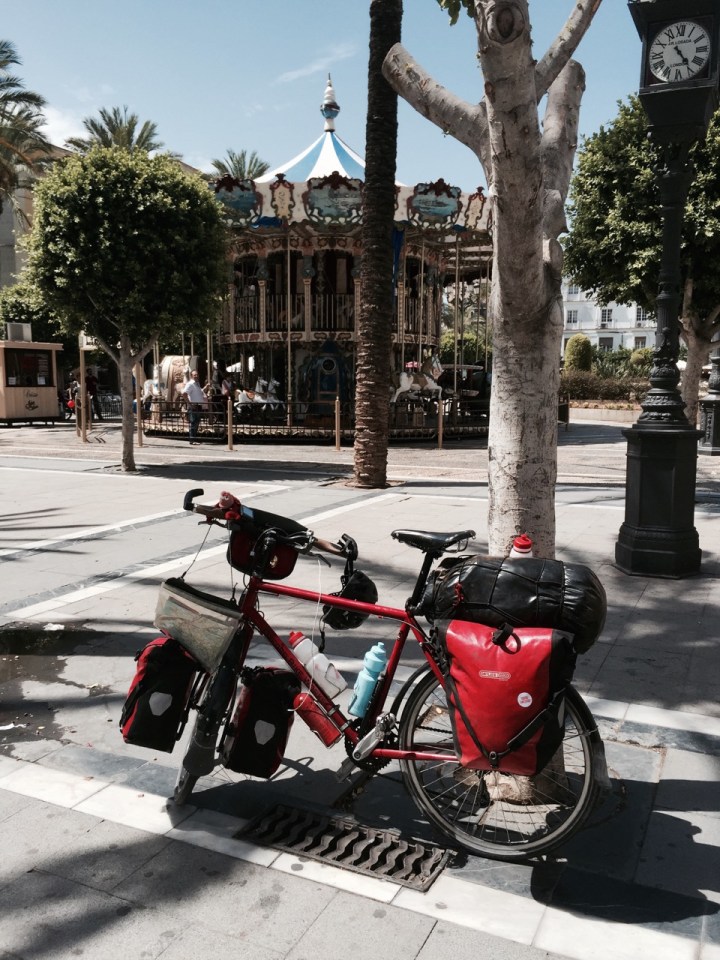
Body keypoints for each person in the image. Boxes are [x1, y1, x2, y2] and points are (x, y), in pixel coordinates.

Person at [181, 370, 206, 444]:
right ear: (191, 376)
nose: (196, 376)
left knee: (196, 422)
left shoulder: (197, 384)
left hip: (198, 405)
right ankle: (192, 439)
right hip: (194, 406)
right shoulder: (190, 384)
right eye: (194, 375)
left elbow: (200, 392)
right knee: (193, 423)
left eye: (197, 374)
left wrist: (206, 387)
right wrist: (190, 404)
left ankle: (194, 438)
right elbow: (184, 394)